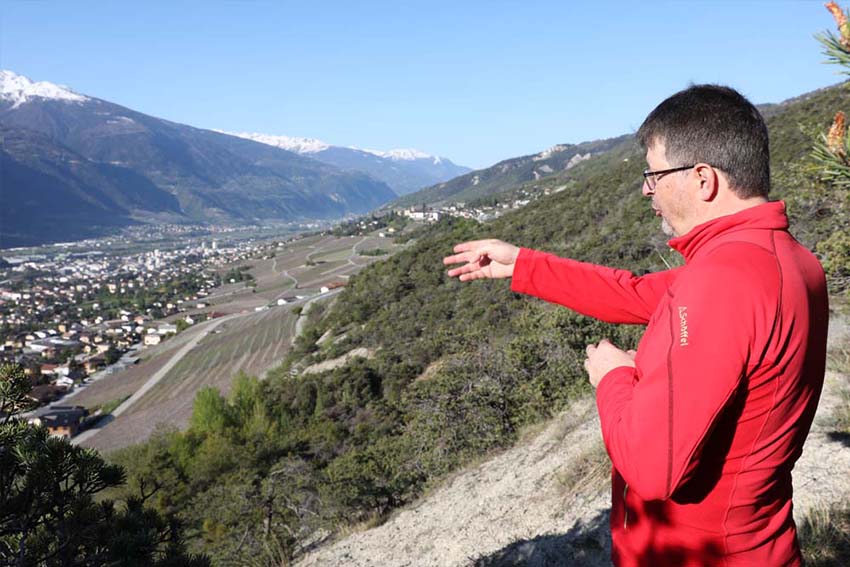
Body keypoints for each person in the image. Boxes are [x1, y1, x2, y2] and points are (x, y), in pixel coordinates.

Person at [443, 85, 829, 566]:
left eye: (655, 175)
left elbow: (652, 466)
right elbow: (633, 292)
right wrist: (521, 264)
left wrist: (614, 376)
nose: (648, 190)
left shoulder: (723, 280)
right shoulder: (778, 260)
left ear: (703, 179)